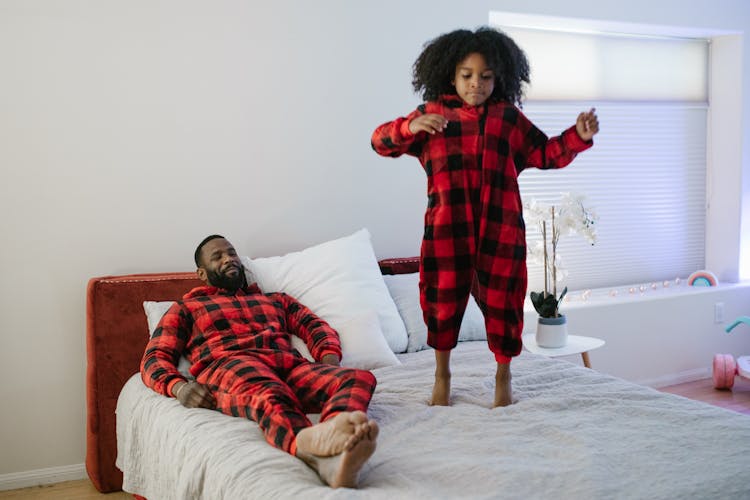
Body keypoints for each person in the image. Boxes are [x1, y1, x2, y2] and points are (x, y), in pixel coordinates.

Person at [371, 27, 599, 408]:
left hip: (502, 227)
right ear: (450, 74)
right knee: (442, 299)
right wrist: (409, 127)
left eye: (486, 76)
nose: (476, 84)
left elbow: (544, 154)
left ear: (500, 77)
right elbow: (380, 141)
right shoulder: (433, 116)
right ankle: (442, 374)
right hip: (447, 227)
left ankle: (503, 374)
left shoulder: (507, 119)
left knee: (504, 300)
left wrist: (576, 135)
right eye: (467, 75)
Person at [140, 234, 379, 488]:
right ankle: (310, 449)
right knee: (269, 391)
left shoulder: (276, 300)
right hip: (232, 366)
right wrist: (179, 387)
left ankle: (337, 438)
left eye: (232, 253)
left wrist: (328, 360)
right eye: (217, 256)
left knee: (357, 378)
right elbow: (154, 358)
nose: (228, 259)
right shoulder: (187, 308)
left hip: (288, 365)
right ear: (202, 273)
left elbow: (315, 326)